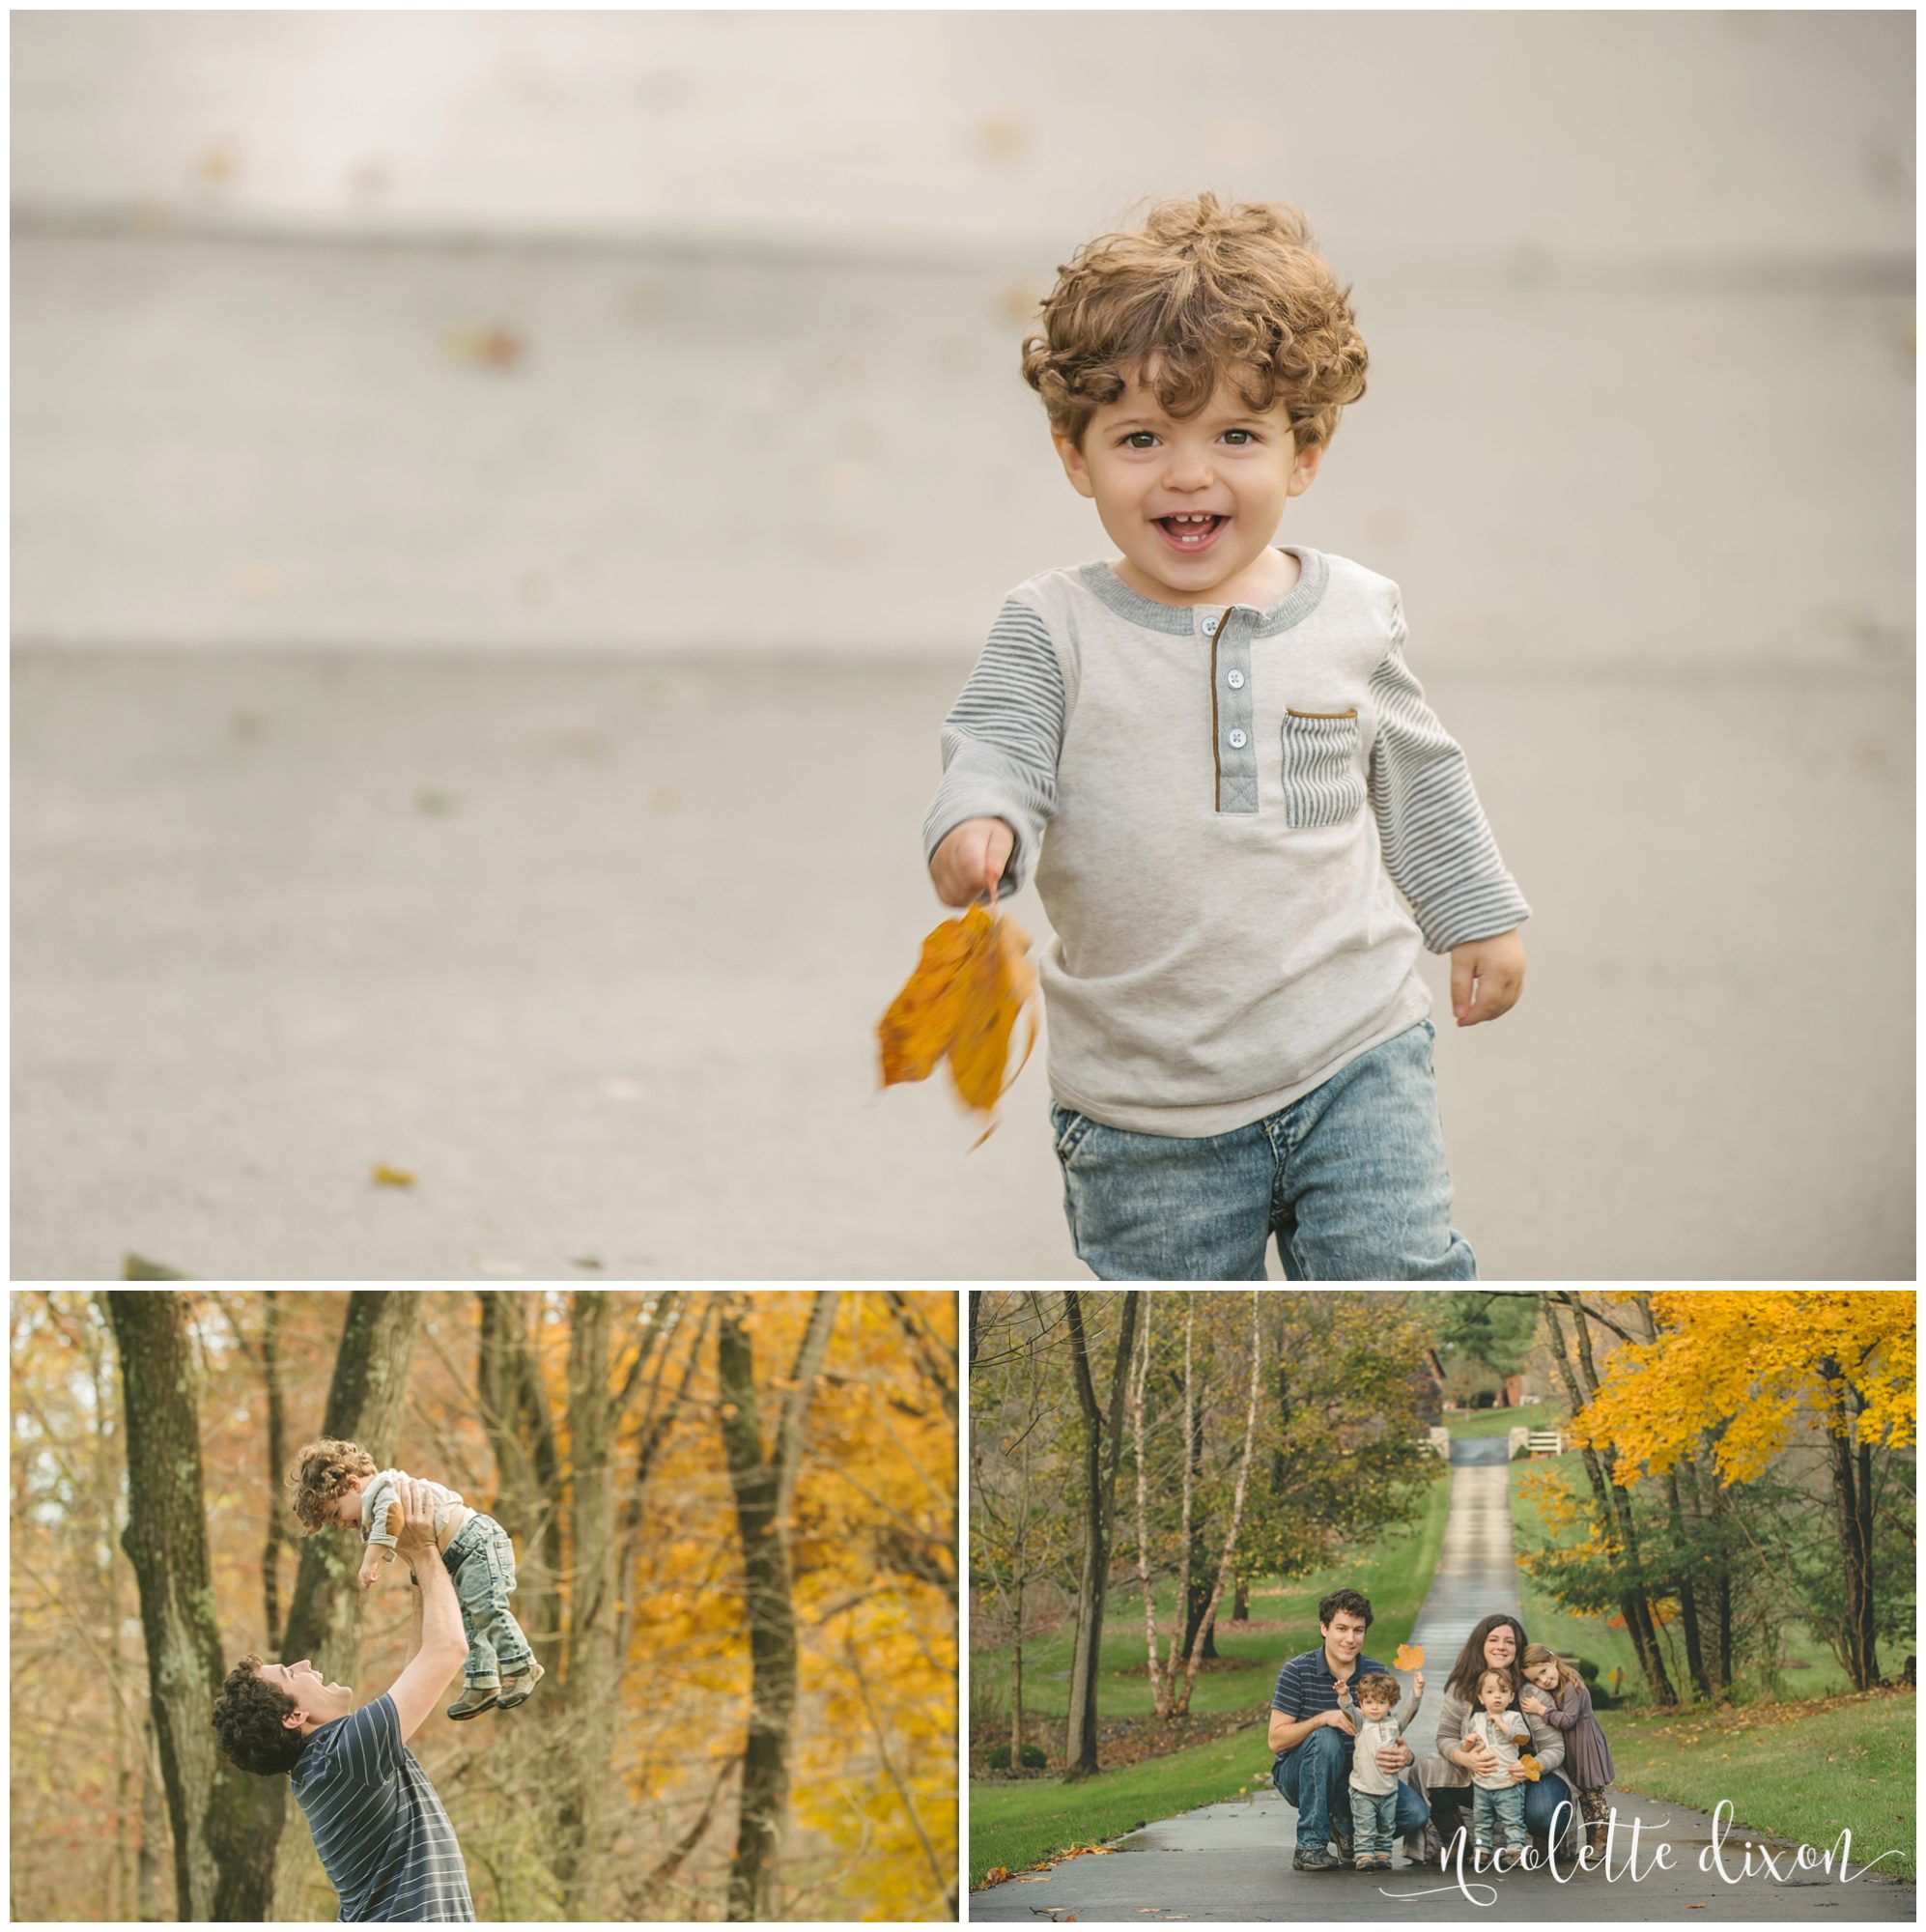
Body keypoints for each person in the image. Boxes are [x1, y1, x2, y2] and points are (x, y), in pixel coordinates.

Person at [922, 191, 1528, 1281]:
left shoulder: (1351, 610)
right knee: (1181, 1325)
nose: (1189, 473)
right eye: (1141, 437)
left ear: (1305, 449)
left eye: (1236, 435)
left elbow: (1415, 771)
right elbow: (995, 743)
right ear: (1075, 452)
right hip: (1143, 1104)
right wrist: (977, 820)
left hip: (1354, 1052)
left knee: (1394, 1295)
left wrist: (1473, 915)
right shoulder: (1052, 625)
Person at [211, 1474, 476, 1921]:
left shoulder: (326, 1764)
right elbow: (448, 1650)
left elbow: (419, 1668)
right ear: (295, 1716)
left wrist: (416, 1562)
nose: (304, 1665)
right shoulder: (343, 1757)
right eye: (289, 1673)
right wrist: (427, 1550)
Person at [287, 1435, 543, 1719]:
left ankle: (521, 1664)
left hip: (476, 1542)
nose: (342, 1524)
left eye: (337, 1514)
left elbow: (393, 1519)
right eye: (334, 1523)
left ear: (353, 1484)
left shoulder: (382, 1490)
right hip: (458, 1555)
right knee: (469, 1618)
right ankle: (481, 1681)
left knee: (485, 1610)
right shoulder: (374, 1501)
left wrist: (369, 1562)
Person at [1268, 1588, 1431, 1871]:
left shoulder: (1375, 1673)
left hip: (1359, 1777)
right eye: (1341, 1628)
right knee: (1325, 1738)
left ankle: (1347, 1830)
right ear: (1324, 1628)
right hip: (1301, 1775)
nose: (1350, 1639)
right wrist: (1322, 1719)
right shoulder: (1296, 1670)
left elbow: (1387, 1731)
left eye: (1358, 1630)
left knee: (1414, 1814)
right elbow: (1276, 1740)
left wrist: (1405, 1755)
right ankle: (1310, 1846)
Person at [1416, 1613, 1574, 1857]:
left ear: (1518, 1649)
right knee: (1428, 1768)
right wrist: (1464, 1758)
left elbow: (1555, 1748)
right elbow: (1445, 1737)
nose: (1501, 1646)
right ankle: (1460, 1845)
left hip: (1528, 1777)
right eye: (1494, 1639)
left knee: (1545, 1815)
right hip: (1480, 1775)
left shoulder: (1530, 1692)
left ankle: (1542, 1846)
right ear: (1481, 1644)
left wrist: (1533, 1767)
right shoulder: (1462, 1689)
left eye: (1509, 1642)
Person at [1520, 1641, 1615, 1857]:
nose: (1543, 1680)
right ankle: (1593, 1844)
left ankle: (1601, 1844)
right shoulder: (1557, 1686)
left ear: (1553, 1661)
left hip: (1585, 1745)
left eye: (1544, 1671)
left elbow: (1568, 1721)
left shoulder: (1572, 1685)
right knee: (1584, 1795)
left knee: (1593, 1795)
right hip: (1575, 1747)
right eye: (1536, 1679)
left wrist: (1541, 1709)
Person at [1337, 1663, 1425, 1871]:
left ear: (1390, 1705)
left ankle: (1383, 1854)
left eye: (1381, 1702)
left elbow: (1409, 1711)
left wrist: (1417, 1692)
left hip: (1388, 1789)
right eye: (1369, 1702)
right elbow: (1348, 1709)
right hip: (1363, 1789)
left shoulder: (1394, 1724)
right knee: (1365, 1825)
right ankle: (1364, 1855)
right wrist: (1343, 1695)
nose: (1374, 1707)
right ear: (1362, 1704)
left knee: (1386, 1826)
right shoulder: (1361, 1723)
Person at [1461, 1668, 1532, 1868]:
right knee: (1482, 1821)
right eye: (1490, 1692)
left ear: (1511, 1697)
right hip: (1482, 1782)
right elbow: (1465, 1748)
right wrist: (1468, 1742)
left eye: (1503, 1691)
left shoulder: (1513, 1717)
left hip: (1508, 1782)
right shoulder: (1477, 1719)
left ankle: (1515, 1850)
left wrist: (1502, 1724)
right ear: (1481, 1698)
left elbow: (1523, 1738)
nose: (1497, 1696)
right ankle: (1482, 1850)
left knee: (1512, 1820)